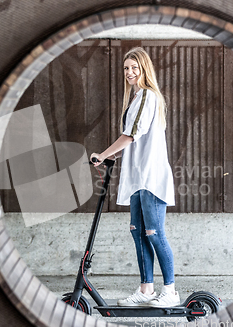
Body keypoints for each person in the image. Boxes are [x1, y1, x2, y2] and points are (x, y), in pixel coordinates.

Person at [90, 47, 179, 308]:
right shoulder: (137, 98)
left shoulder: (148, 96)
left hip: (150, 177)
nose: (129, 72)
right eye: (126, 68)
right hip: (138, 176)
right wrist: (115, 156)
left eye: (133, 68)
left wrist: (103, 153)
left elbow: (131, 135)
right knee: (137, 232)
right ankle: (146, 289)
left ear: (144, 69)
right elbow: (134, 141)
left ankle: (170, 291)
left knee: (154, 233)